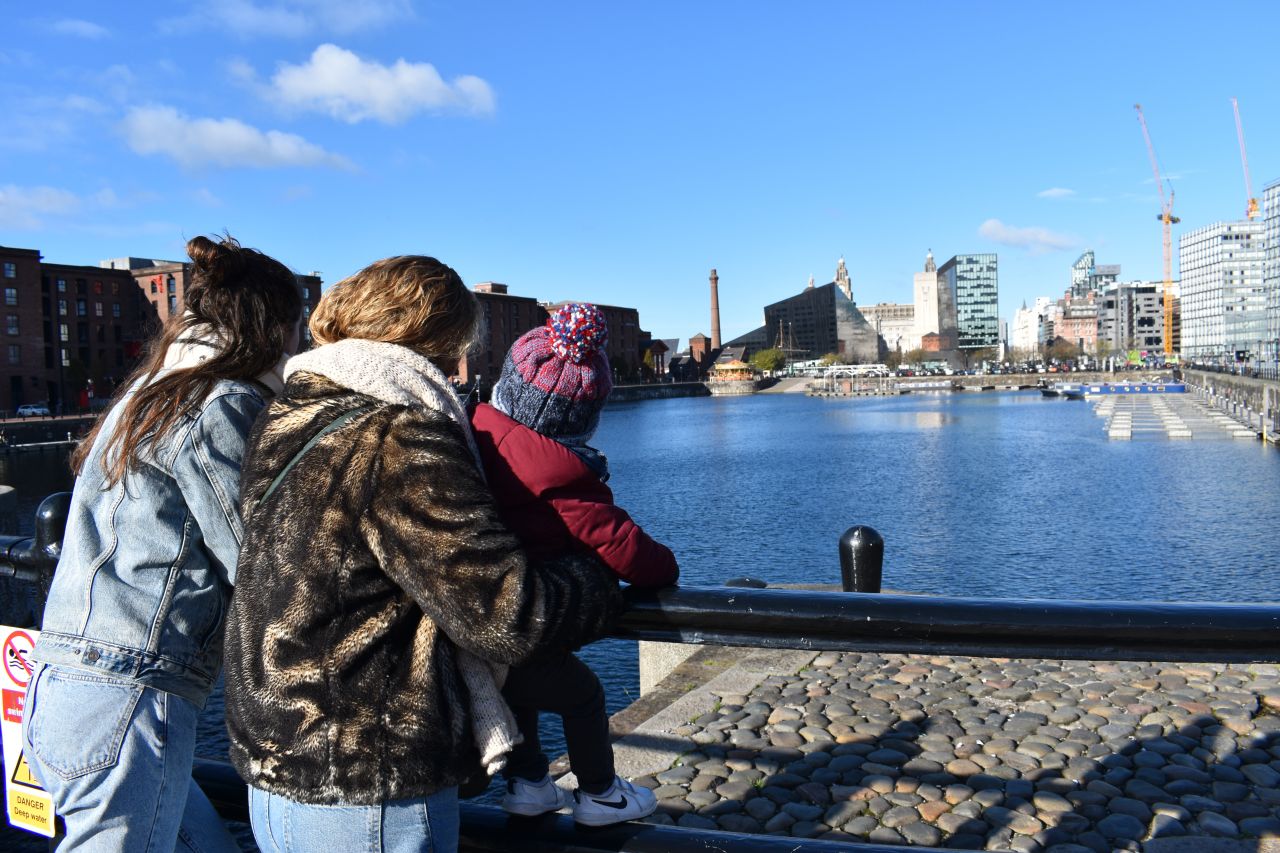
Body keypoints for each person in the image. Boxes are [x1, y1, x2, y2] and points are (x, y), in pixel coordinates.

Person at [223, 256, 623, 853]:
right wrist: (596, 577)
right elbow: (506, 616)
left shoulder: (288, 415)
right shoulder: (399, 432)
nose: (462, 365)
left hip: (278, 764)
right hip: (367, 779)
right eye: (460, 346)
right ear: (435, 342)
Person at [23, 235, 303, 852]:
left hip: (72, 684)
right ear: (273, 326)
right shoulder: (217, 401)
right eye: (295, 327)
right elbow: (257, 561)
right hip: (129, 692)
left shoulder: (150, 393)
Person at [469, 303, 677, 825]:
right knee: (583, 696)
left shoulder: (472, 442)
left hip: (480, 625)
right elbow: (630, 550)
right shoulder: (562, 480)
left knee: (520, 698)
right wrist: (667, 567)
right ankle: (601, 794)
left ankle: (530, 783)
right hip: (529, 623)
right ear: (582, 418)